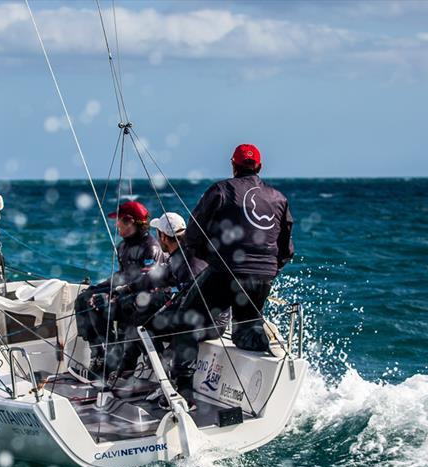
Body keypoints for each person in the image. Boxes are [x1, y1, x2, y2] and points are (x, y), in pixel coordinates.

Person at [161, 144, 294, 400]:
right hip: (262, 276)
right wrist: (268, 271)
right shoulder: (279, 198)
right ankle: (269, 383)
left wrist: (210, 259)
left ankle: (184, 390)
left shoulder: (221, 190)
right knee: (247, 327)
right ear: (260, 167)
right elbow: (286, 249)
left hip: (226, 272)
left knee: (186, 320)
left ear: (233, 166)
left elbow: (193, 235)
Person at [108, 212, 210, 375]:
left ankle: (162, 369)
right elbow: (154, 278)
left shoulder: (188, 261)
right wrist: (127, 289)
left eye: (157, 233)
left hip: (207, 321)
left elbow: (196, 301)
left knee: (141, 321)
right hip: (197, 314)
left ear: (163, 236)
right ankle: (131, 368)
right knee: (136, 306)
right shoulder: (181, 254)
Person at [74, 201, 164, 377]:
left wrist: (114, 294)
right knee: (84, 299)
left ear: (130, 221)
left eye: (119, 221)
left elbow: (146, 280)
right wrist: (100, 288)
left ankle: (111, 357)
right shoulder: (122, 246)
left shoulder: (150, 247)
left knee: (99, 303)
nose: (116, 225)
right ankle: (98, 353)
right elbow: (122, 275)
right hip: (123, 293)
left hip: (141, 299)